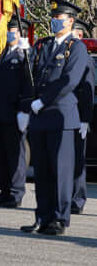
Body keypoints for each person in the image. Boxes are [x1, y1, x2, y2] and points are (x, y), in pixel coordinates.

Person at [20, 0, 89, 235]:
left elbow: (69, 81)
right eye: (53, 18)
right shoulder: (43, 45)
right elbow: (33, 78)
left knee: (60, 171)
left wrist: (43, 101)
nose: (54, 22)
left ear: (70, 21)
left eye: (59, 19)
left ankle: (60, 218)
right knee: (42, 172)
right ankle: (43, 216)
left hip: (61, 117)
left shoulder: (76, 48)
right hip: (40, 117)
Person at [0, 15, 32, 208]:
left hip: (14, 113)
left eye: (12, 31)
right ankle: (4, 191)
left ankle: (16, 193)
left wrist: (24, 110)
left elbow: (28, 85)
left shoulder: (25, 55)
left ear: (21, 33)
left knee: (14, 155)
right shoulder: (1, 53)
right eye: (7, 31)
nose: (8, 34)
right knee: (0, 154)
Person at [70, 18, 94, 215]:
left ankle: (77, 199)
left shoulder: (84, 58)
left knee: (77, 160)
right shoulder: (67, 55)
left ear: (79, 35)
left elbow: (88, 92)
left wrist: (85, 119)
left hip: (78, 116)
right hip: (65, 116)